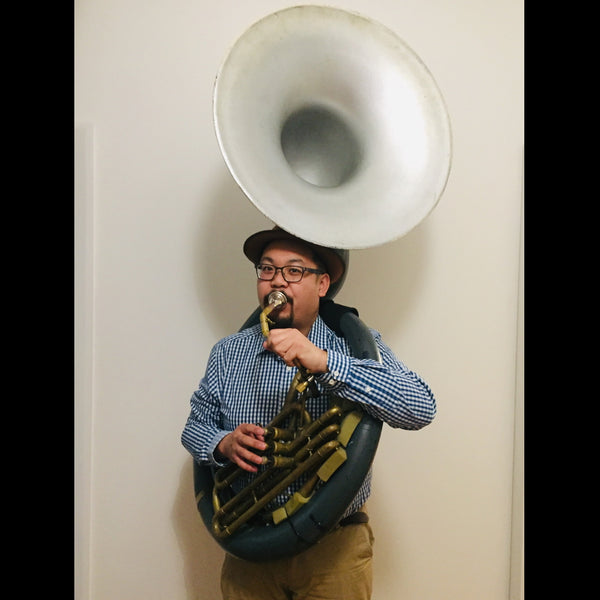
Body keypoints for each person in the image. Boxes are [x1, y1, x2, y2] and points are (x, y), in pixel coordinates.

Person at [181, 226, 436, 600]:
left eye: (293, 271)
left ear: (322, 284)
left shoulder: (353, 347)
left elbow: (420, 407)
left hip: (334, 551)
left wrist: (326, 362)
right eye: (267, 270)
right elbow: (193, 428)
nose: (276, 282)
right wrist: (223, 443)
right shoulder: (227, 352)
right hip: (250, 548)